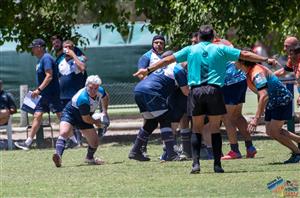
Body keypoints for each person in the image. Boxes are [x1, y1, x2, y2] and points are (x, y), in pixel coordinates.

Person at [134, 25, 279, 173]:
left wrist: (148, 70)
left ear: (198, 38)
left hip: (195, 91)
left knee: (196, 129)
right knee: (215, 129)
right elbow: (245, 55)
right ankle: (217, 165)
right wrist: (266, 59)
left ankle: (195, 164)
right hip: (214, 91)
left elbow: (168, 60)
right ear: (213, 36)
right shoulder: (220, 48)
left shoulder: (190, 49)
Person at [236, 50, 300, 163]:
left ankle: (297, 153)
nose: (233, 62)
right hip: (272, 102)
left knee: (275, 131)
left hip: (281, 100)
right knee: (270, 131)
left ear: (242, 62)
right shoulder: (249, 71)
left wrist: (255, 119)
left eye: (235, 59)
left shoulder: (256, 73)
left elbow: (264, 95)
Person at [129, 52, 189, 162]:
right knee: (165, 119)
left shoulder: (162, 67)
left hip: (138, 90)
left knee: (151, 123)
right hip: (152, 92)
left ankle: (135, 151)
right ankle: (171, 153)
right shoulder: (178, 69)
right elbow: (185, 91)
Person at [15, 38, 62, 150]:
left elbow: (49, 76)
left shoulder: (46, 58)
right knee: (37, 115)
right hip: (43, 95)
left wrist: (38, 90)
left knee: (62, 116)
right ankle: (28, 143)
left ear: (40, 47)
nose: (32, 50)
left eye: (34, 48)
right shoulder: (40, 60)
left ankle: (74, 139)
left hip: (51, 94)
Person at [213, 38, 257, 160]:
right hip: (240, 80)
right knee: (238, 116)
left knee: (226, 118)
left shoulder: (211, 45)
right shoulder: (225, 42)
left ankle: (234, 150)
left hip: (229, 82)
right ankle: (250, 147)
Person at [52, 75, 110, 167]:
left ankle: (89, 158)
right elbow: (86, 119)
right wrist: (98, 123)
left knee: (94, 143)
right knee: (64, 132)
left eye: (96, 88)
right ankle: (58, 156)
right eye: (91, 88)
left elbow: (105, 96)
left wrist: (104, 111)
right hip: (71, 113)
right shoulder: (83, 98)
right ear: (86, 86)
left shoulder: (100, 90)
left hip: (85, 115)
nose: (94, 90)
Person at [51, 35, 88, 147]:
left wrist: (73, 55)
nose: (67, 49)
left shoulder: (78, 58)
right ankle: (71, 141)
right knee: (66, 119)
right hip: (63, 95)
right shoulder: (60, 61)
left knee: (79, 117)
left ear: (73, 48)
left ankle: (81, 141)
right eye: (65, 47)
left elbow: (82, 68)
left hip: (76, 95)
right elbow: (56, 76)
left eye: (69, 47)